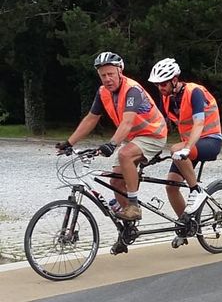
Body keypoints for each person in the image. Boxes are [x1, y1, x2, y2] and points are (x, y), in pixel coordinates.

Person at [56, 52, 167, 221]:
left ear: (119, 72)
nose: (107, 79)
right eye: (103, 75)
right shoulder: (103, 92)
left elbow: (127, 122)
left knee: (124, 154)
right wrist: (69, 142)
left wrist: (112, 144)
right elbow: (91, 119)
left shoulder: (132, 90)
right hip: (133, 138)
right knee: (115, 182)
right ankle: (128, 227)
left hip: (153, 134)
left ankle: (134, 206)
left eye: (110, 74)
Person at [148, 58, 222, 230]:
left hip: (210, 140)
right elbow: (159, 124)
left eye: (163, 84)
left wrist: (187, 148)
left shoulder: (194, 91)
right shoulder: (167, 98)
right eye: (158, 85)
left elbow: (199, 123)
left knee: (176, 148)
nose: (160, 88)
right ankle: (188, 225)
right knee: (171, 186)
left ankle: (196, 191)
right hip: (190, 147)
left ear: (175, 80)